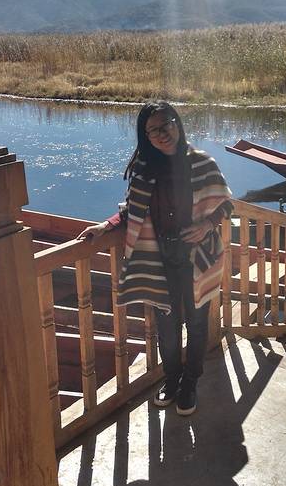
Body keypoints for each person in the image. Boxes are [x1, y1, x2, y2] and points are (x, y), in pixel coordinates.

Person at [79, 101, 232, 415]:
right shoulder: (144, 168)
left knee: (197, 323)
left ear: (177, 123)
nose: (162, 134)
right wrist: (105, 226)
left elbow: (226, 204)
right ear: (145, 136)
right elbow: (131, 211)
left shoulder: (201, 162)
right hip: (159, 260)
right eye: (153, 130)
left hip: (196, 259)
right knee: (167, 327)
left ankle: (190, 382)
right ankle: (172, 379)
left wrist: (207, 225)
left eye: (166, 124)